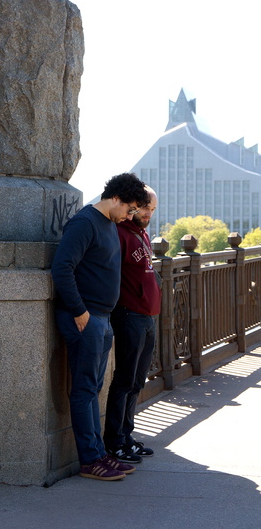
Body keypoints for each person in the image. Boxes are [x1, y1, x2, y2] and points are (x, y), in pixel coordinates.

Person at [51, 173, 150, 481]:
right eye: (130, 209)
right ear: (116, 198)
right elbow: (62, 267)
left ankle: (99, 454)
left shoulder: (110, 224)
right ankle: (90, 460)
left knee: (94, 388)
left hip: (102, 317)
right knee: (84, 389)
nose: (131, 216)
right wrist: (79, 311)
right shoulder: (85, 223)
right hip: (85, 318)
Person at [103, 186, 161, 463]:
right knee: (124, 381)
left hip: (148, 317)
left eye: (152, 210)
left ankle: (127, 436)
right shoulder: (120, 233)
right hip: (129, 316)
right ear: (134, 206)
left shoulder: (142, 234)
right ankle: (114, 442)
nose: (148, 214)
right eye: (145, 208)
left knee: (138, 381)